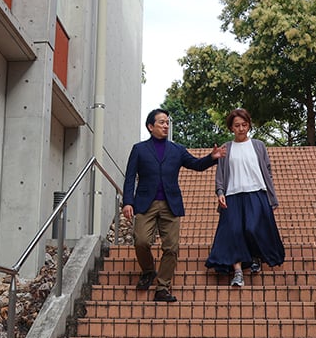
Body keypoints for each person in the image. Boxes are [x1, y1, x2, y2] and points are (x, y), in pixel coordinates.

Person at [122, 108, 226, 302]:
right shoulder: (139, 149)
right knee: (141, 241)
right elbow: (129, 177)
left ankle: (162, 287)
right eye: (161, 122)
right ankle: (148, 271)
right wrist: (128, 201)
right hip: (145, 203)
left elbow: (195, 164)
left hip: (171, 204)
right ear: (150, 126)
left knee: (171, 247)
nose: (166, 125)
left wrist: (212, 158)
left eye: (167, 122)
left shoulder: (177, 149)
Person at [205, 108, 285, 287]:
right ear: (231, 128)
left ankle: (255, 256)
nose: (241, 128)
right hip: (232, 195)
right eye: (237, 125)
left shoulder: (258, 146)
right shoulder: (226, 148)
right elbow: (220, 174)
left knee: (252, 227)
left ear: (249, 125)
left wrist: (271, 197)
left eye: (244, 124)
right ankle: (238, 272)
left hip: (257, 193)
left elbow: (267, 171)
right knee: (234, 232)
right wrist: (220, 192)